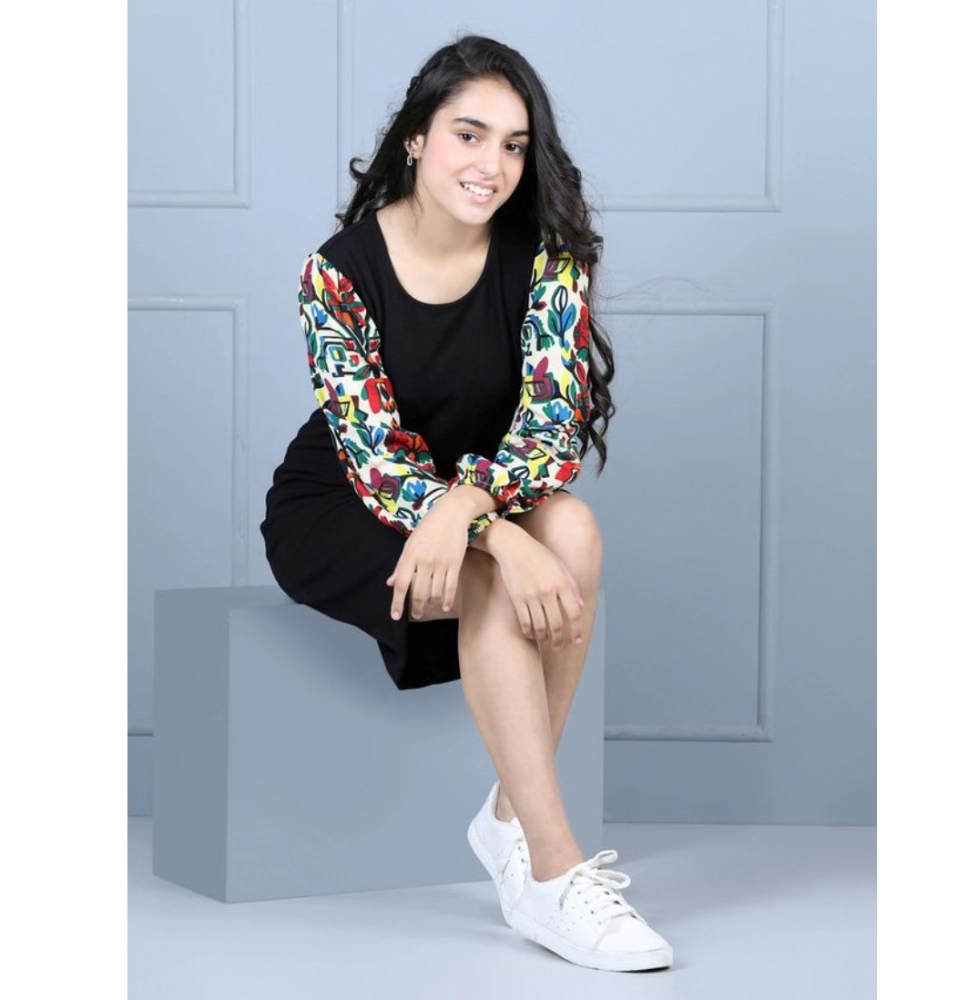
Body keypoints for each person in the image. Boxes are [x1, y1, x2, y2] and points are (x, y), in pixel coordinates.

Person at [259, 34, 672, 973]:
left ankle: (509, 818)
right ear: (416, 137)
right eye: (469, 135)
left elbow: (552, 428)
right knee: (505, 565)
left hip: (472, 488)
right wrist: (488, 533)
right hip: (344, 503)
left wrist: (470, 508)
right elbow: (372, 458)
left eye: (514, 145)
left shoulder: (545, 258)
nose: (492, 164)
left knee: (573, 528)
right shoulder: (336, 271)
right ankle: (553, 873)